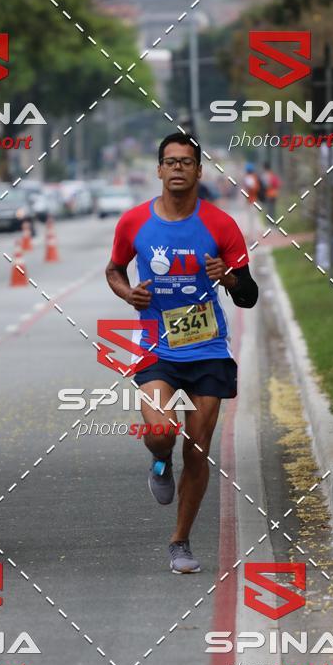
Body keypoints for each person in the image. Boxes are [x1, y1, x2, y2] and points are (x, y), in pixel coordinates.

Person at [106, 133, 258, 574]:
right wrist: (127, 293)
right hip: (158, 348)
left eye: (185, 162)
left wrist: (228, 279)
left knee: (198, 447)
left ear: (197, 171)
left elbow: (247, 294)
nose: (177, 169)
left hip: (207, 348)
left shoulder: (221, 225)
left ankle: (180, 541)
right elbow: (114, 269)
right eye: (169, 162)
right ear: (158, 170)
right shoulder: (134, 222)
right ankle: (158, 460)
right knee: (161, 432)